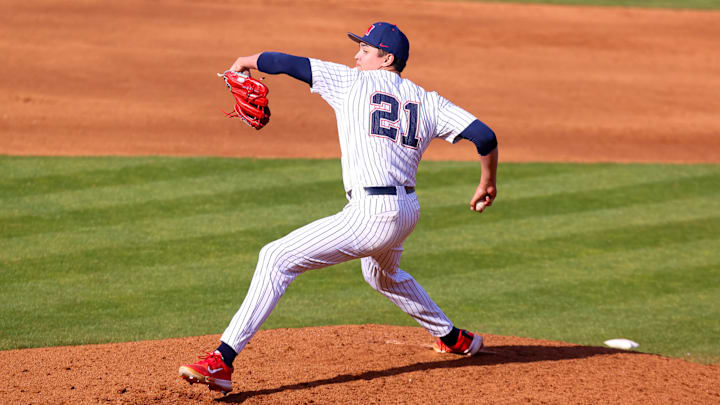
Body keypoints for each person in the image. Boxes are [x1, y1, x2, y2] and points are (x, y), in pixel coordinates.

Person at [179, 22, 499, 394]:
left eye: (365, 50)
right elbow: (485, 136)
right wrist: (487, 182)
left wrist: (244, 61)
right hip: (407, 210)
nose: (356, 55)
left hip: (370, 215)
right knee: (381, 275)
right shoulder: (428, 100)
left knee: (275, 258)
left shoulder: (351, 82)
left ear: (387, 58)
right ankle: (452, 337)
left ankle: (222, 361)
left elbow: (286, 62)